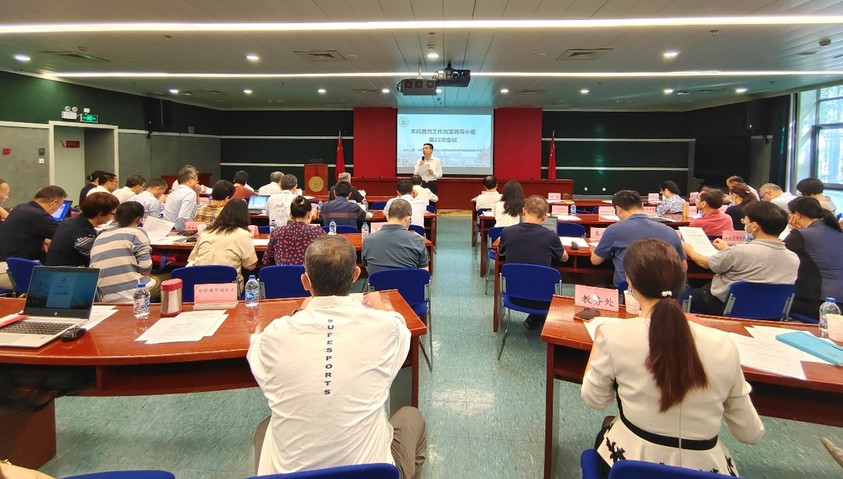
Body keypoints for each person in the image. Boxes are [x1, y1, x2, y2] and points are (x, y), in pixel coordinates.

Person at [582, 238, 764, 478]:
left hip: (630, 465)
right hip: (707, 470)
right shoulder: (724, 343)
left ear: (630, 282)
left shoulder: (613, 335)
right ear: (682, 282)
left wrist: (598, 345)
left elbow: (595, 400)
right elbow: (750, 433)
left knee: (608, 427)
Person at [248, 235, 426, 477]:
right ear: (355, 275)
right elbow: (399, 326)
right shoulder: (386, 327)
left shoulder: (274, 335)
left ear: (305, 281)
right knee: (411, 417)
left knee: (265, 428)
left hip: (291, 474)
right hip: (370, 473)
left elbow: (256, 352)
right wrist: (381, 306)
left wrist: (299, 312)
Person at [684, 201, 799, 316]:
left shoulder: (739, 252)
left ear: (754, 226)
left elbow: (705, 263)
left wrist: (688, 249)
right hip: (770, 311)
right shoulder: (793, 258)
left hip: (724, 306)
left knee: (683, 293)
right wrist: (728, 249)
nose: (744, 223)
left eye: (745, 221)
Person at [592, 190, 685, 290]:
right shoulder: (670, 231)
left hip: (628, 291)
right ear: (642, 206)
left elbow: (595, 261)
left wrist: (593, 249)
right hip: (664, 290)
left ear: (618, 210)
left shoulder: (614, 230)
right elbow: (683, 267)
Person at [498, 195, 568, 330]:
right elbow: (564, 258)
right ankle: (536, 318)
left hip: (513, 295)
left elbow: (500, 252)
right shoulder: (551, 236)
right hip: (543, 299)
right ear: (545, 217)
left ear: (524, 211)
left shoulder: (507, 232)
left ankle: (534, 319)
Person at [784, 196, 843, 320]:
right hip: (838, 303)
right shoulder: (837, 232)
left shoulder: (799, 235)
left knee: (769, 300)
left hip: (818, 303)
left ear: (797, 215)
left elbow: (776, 255)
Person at [89, 201, 160, 302]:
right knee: (169, 279)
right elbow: (145, 267)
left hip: (102, 295)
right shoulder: (137, 232)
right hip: (132, 292)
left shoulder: (101, 236)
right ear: (138, 219)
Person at [0, 185, 67, 289]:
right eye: (60, 206)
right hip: (10, 270)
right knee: (63, 283)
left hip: (6, 266)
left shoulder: (21, 208)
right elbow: (65, 236)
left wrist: (44, 239)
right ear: (53, 203)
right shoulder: (40, 216)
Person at [187, 199, 258, 290]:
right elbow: (250, 266)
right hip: (229, 289)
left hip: (200, 287)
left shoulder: (206, 232)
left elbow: (192, 259)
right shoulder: (243, 234)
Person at [45, 192, 118, 267]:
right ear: (100, 214)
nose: (113, 217)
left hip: (54, 269)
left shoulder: (69, 222)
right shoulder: (83, 237)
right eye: (113, 214)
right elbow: (102, 256)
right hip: (68, 272)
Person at [362, 199, 430, 274]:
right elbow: (424, 274)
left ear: (387, 217)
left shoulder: (368, 240)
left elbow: (369, 271)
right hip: (408, 281)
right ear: (408, 219)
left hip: (380, 282)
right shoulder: (417, 240)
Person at [263, 196, 325, 266]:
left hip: (282, 272)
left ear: (291, 215)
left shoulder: (277, 232)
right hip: (307, 272)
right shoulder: (318, 232)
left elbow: (266, 260)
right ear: (309, 215)